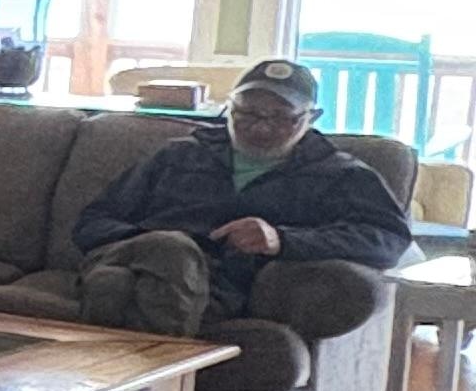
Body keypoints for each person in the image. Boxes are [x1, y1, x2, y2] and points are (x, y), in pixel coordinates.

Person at [71, 58, 412, 336]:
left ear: (312, 117)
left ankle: (117, 385)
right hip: (134, 256)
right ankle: (162, 385)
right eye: (247, 113)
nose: (260, 126)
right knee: (164, 252)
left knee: (113, 287)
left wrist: (282, 240)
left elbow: (387, 239)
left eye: (281, 117)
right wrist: (153, 241)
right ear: (229, 107)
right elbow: (92, 222)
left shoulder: (340, 174)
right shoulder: (179, 154)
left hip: (220, 283)